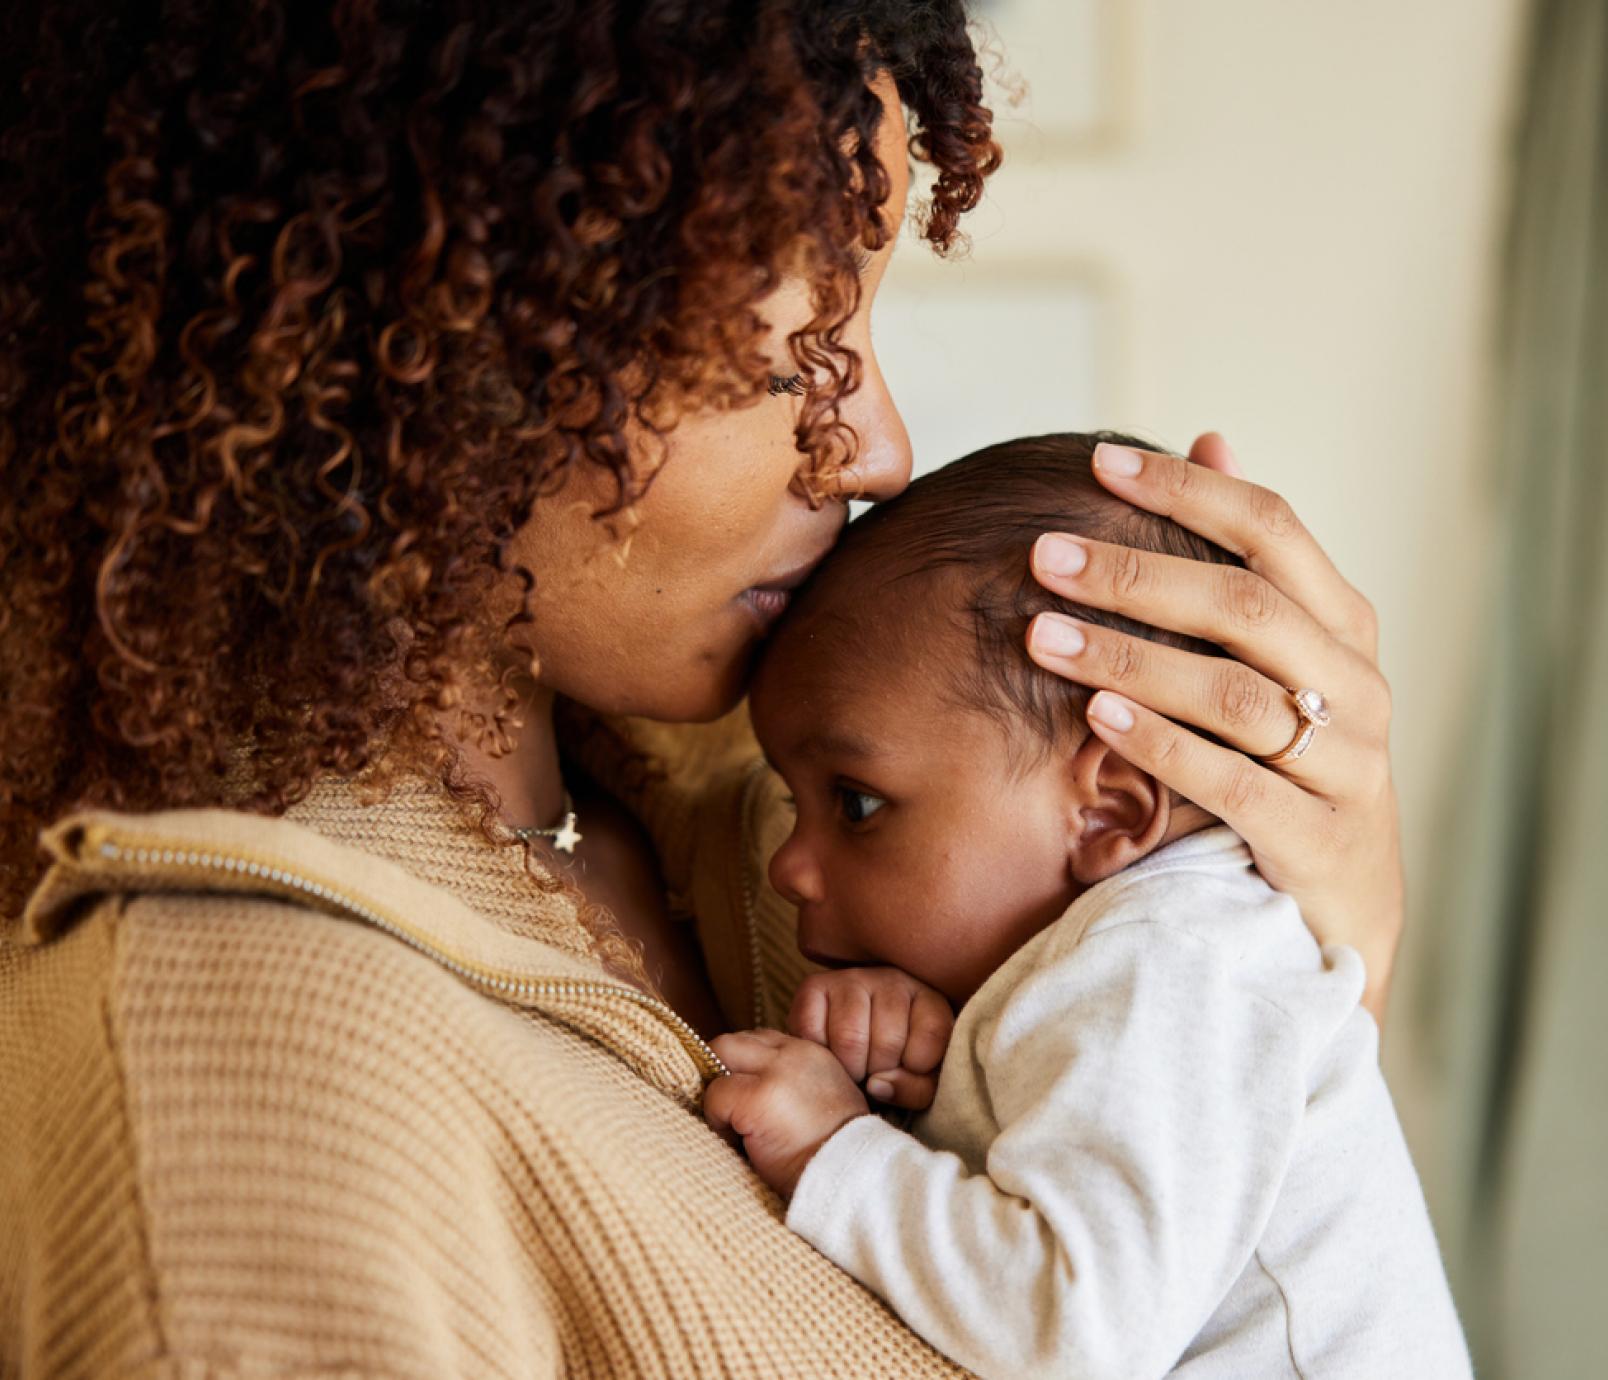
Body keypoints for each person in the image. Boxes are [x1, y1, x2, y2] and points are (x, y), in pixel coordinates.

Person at [0, 4, 1411, 1375]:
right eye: (788, 346)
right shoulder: (236, 1099)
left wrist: (1304, 940)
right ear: (427, 328)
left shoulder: (796, 810)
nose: (876, 450)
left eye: (861, 333)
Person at [705, 434, 1472, 1380]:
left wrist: (838, 1150)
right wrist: (939, 1088)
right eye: (793, 801)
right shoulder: (1137, 955)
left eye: (855, 803)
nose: (787, 868)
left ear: (1110, 807)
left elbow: (1075, 1331)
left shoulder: (1168, 959)